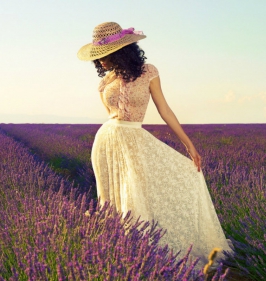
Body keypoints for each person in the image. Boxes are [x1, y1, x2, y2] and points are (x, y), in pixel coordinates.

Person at [77, 22, 233, 270]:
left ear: (120, 51)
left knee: (136, 195)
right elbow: (111, 115)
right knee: (111, 200)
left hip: (134, 140)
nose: (101, 62)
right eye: (98, 57)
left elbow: (165, 110)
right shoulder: (105, 82)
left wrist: (188, 144)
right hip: (106, 142)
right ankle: (120, 257)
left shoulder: (149, 72)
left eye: (104, 55)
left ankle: (144, 256)